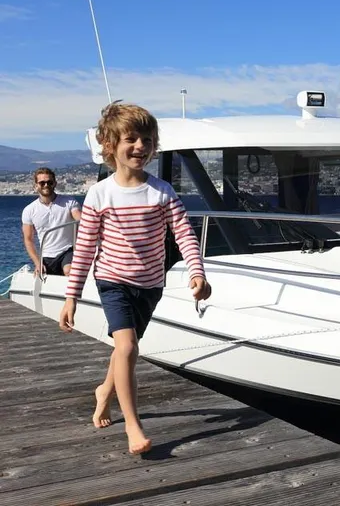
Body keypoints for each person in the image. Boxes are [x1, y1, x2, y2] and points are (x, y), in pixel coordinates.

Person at [59, 101, 212, 455]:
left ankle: (103, 392)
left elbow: (184, 234)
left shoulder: (161, 191)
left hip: (150, 284)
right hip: (112, 280)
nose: (140, 146)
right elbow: (84, 249)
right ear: (110, 146)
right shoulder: (100, 194)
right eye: (131, 138)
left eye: (146, 139)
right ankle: (133, 424)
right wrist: (72, 297)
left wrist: (197, 272)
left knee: (124, 352)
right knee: (127, 347)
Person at [21, 167, 81, 277]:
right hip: (46, 256)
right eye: (42, 183)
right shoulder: (29, 210)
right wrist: (37, 262)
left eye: (49, 182)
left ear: (55, 184)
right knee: (42, 277)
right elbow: (28, 239)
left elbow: (81, 220)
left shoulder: (69, 202)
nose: (46, 185)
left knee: (70, 271)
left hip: (67, 251)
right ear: (36, 186)